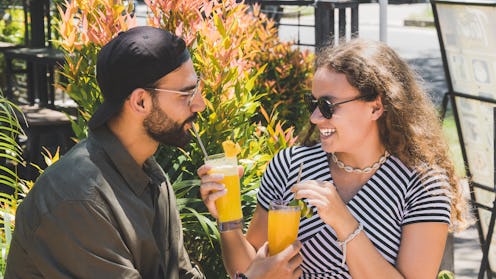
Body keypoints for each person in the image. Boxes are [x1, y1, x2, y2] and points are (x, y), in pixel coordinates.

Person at [5, 26, 302, 279]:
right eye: (187, 93)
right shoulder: (77, 198)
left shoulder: (150, 176)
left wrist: (228, 221)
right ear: (140, 102)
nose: (199, 105)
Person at [199, 38, 469, 278]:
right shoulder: (291, 166)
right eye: (313, 104)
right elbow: (250, 272)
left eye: (327, 106)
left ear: (375, 107)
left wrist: (345, 223)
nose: (315, 118)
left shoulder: (424, 185)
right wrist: (229, 219)